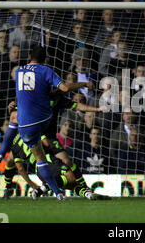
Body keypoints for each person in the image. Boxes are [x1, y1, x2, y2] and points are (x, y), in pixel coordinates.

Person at [14, 45, 96, 200]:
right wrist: (83, 84)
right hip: (41, 122)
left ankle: (53, 190)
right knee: (61, 163)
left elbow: (28, 92)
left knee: (43, 160)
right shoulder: (46, 71)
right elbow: (64, 87)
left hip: (24, 124)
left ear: (30, 56)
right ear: (46, 59)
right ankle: (73, 189)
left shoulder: (19, 71)